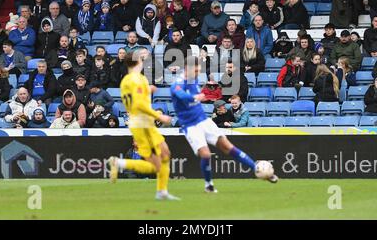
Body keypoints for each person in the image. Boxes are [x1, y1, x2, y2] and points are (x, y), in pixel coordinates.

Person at [170, 56, 278, 193]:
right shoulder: (177, 83)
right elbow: (179, 94)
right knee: (206, 154)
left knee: (228, 147)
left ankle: (256, 168)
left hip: (203, 120)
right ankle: (208, 185)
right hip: (190, 126)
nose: (198, 73)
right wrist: (194, 97)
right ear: (187, 69)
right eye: (196, 71)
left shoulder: (194, 80)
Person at [107, 51, 179, 201]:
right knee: (156, 164)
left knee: (164, 154)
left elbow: (133, 100)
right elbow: (138, 104)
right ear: (138, 61)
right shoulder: (136, 79)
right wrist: (159, 116)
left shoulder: (127, 80)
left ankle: (162, 191)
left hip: (142, 122)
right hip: (141, 123)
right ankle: (120, 163)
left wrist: (148, 90)